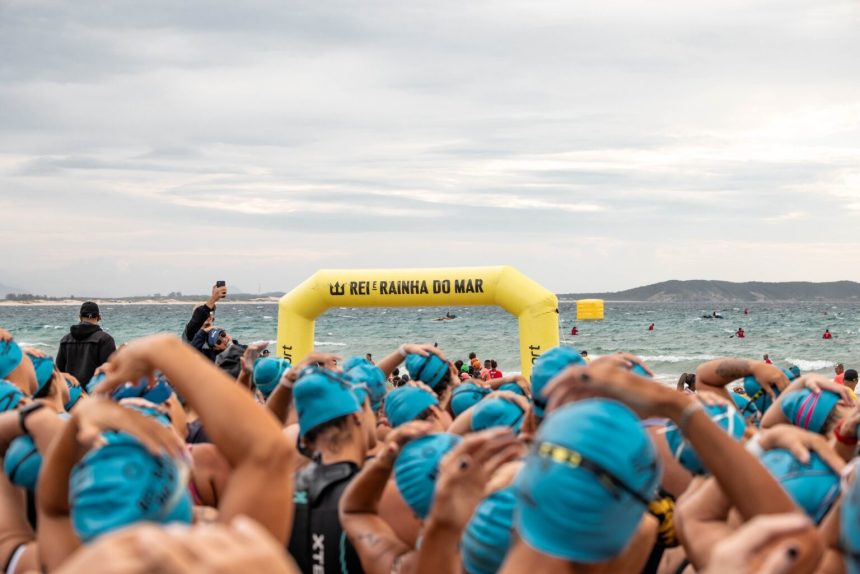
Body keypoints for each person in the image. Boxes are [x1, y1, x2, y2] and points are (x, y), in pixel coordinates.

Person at [55, 301, 116, 385]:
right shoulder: (105, 339)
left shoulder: (65, 340)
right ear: (99, 317)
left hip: (73, 393)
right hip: (95, 394)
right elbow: (111, 372)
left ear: (80, 317)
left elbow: (58, 373)